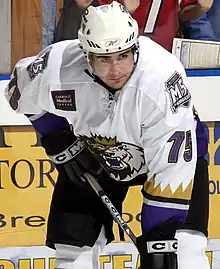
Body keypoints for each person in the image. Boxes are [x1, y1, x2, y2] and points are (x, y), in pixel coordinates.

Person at [4, 2, 210, 269]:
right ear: (86, 54)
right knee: (71, 255)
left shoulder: (161, 78)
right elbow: (18, 91)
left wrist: (159, 243)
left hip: (171, 156)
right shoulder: (60, 66)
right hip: (98, 153)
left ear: (135, 47)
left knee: (185, 252)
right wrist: (60, 141)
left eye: (123, 55)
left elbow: (172, 170)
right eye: (104, 58)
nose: (115, 69)